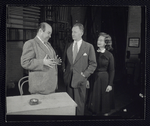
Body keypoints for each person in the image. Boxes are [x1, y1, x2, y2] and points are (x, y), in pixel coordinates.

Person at [63, 23, 97, 115]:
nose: (72, 34)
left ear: (81, 33)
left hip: (80, 80)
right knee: (69, 104)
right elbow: (65, 61)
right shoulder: (68, 46)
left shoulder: (89, 47)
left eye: (75, 32)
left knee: (79, 105)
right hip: (69, 79)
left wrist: (85, 75)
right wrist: (64, 71)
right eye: (72, 32)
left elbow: (93, 64)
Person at [21, 22, 61, 95]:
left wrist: (55, 61)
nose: (50, 36)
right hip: (40, 88)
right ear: (40, 31)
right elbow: (25, 63)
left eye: (50, 34)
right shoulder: (30, 43)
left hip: (51, 86)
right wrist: (42, 62)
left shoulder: (48, 44)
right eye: (48, 33)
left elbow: (49, 61)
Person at [88, 32, 115, 116]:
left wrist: (110, 84)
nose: (98, 42)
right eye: (98, 40)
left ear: (105, 43)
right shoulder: (93, 53)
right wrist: (88, 80)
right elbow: (89, 67)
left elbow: (112, 70)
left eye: (101, 40)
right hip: (94, 78)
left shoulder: (109, 55)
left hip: (105, 79)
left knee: (104, 98)